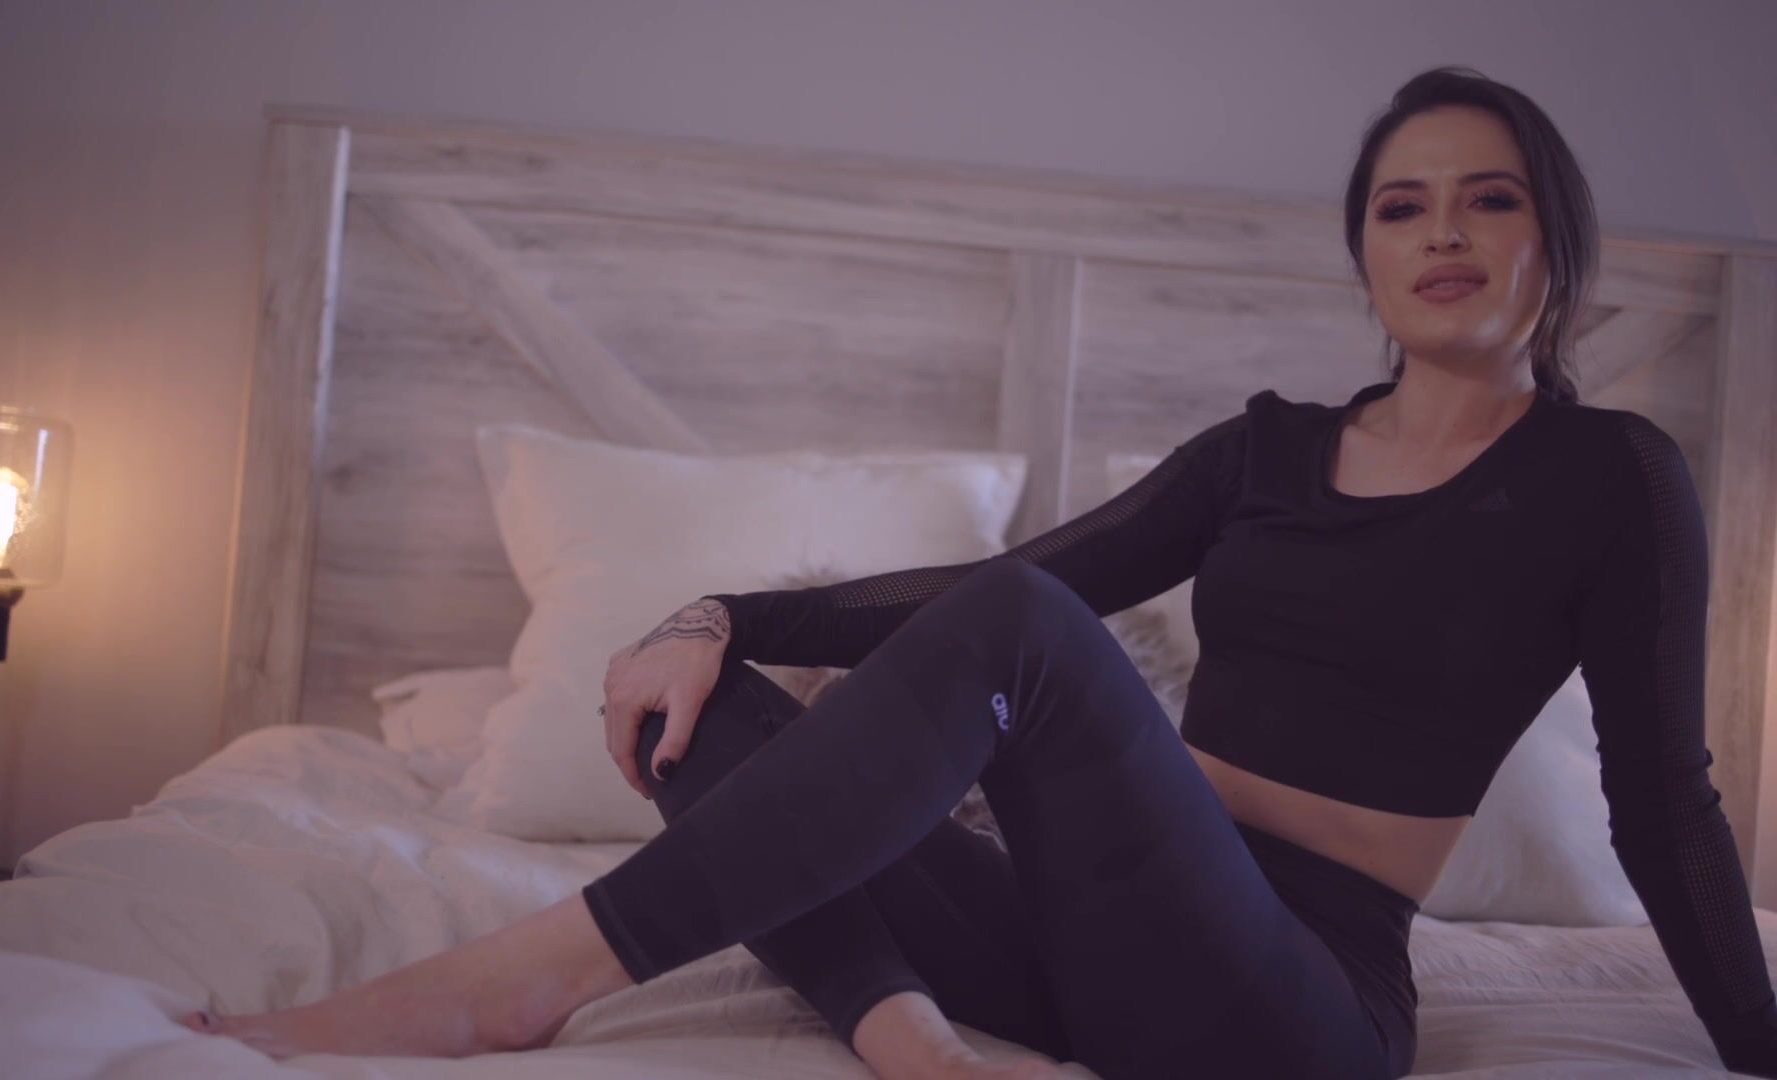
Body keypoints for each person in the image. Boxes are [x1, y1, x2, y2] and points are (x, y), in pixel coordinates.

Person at [182, 65, 1777, 1080]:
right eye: (1402, 206)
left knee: (1019, 630)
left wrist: (1759, 1045)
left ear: (1554, 241)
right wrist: (714, 617)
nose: (1442, 234)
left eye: (1490, 200)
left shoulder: (1610, 479)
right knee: (702, 708)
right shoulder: (1265, 453)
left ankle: (522, 983)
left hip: (1290, 999)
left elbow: (1665, 805)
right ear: (1362, 252)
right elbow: (1007, 575)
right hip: (1073, 942)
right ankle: (907, 1035)